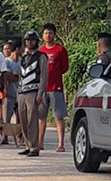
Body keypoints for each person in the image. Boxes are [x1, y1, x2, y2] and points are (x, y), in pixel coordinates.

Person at [17, 31, 48, 157]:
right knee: (23, 119)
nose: (29, 42)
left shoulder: (41, 56)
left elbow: (44, 76)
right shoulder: (23, 58)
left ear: (36, 42)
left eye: (32, 40)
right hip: (22, 91)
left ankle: (34, 147)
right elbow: (20, 75)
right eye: (27, 40)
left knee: (32, 120)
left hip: (33, 91)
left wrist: (40, 93)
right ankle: (27, 144)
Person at [39, 23, 69, 152]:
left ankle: (61, 143)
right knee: (41, 117)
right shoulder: (40, 51)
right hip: (42, 88)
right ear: (42, 35)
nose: (48, 35)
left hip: (56, 87)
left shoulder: (60, 50)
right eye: (46, 33)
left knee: (59, 116)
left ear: (54, 35)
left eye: (50, 33)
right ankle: (40, 142)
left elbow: (64, 68)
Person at [0, 41, 20, 140]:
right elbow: (6, 76)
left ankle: (20, 137)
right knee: (6, 117)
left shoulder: (22, 61)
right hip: (9, 92)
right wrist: (16, 76)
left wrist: (15, 76)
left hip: (20, 92)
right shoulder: (6, 61)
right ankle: (4, 137)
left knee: (20, 117)